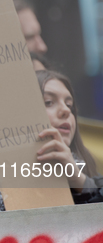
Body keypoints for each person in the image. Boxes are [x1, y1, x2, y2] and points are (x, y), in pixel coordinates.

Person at [35, 70, 103, 203]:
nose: (66, 110)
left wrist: (78, 180)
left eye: (69, 106)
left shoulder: (87, 174)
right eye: (49, 102)